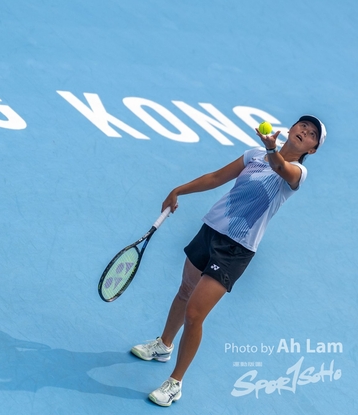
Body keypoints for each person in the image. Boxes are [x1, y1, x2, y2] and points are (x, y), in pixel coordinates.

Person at [131, 115, 327, 407]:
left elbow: (279, 167)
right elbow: (215, 178)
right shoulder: (254, 155)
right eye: (303, 126)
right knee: (184, 291)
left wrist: (272, 149)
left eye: (312, 134)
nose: (305, 132)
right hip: (210, 230)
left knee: (194, 314)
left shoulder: (297, 172)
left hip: (236, 248)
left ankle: (175, 383)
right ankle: (164, 345)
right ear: (292, 128)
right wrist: (178, 190)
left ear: (312, 150)